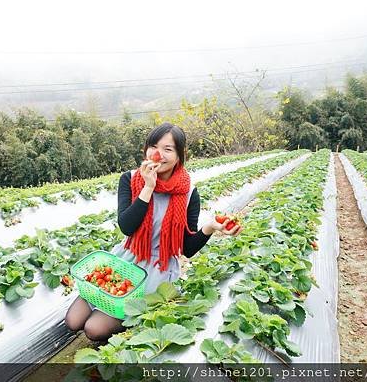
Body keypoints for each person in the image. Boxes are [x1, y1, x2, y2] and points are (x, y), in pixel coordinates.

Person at [64, 122, 243, 341]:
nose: (158, 154)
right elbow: (127, 227)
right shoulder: (130, 180)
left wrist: (210, 228)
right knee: (73, 321)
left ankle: (128, 327)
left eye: (168, 149)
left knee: (93, 329)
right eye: (153, 146)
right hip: (126, 260)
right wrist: (148, 187)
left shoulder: (188, 193)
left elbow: (186, 249)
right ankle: (114, 312)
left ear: (179, 156)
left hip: (157, 271)